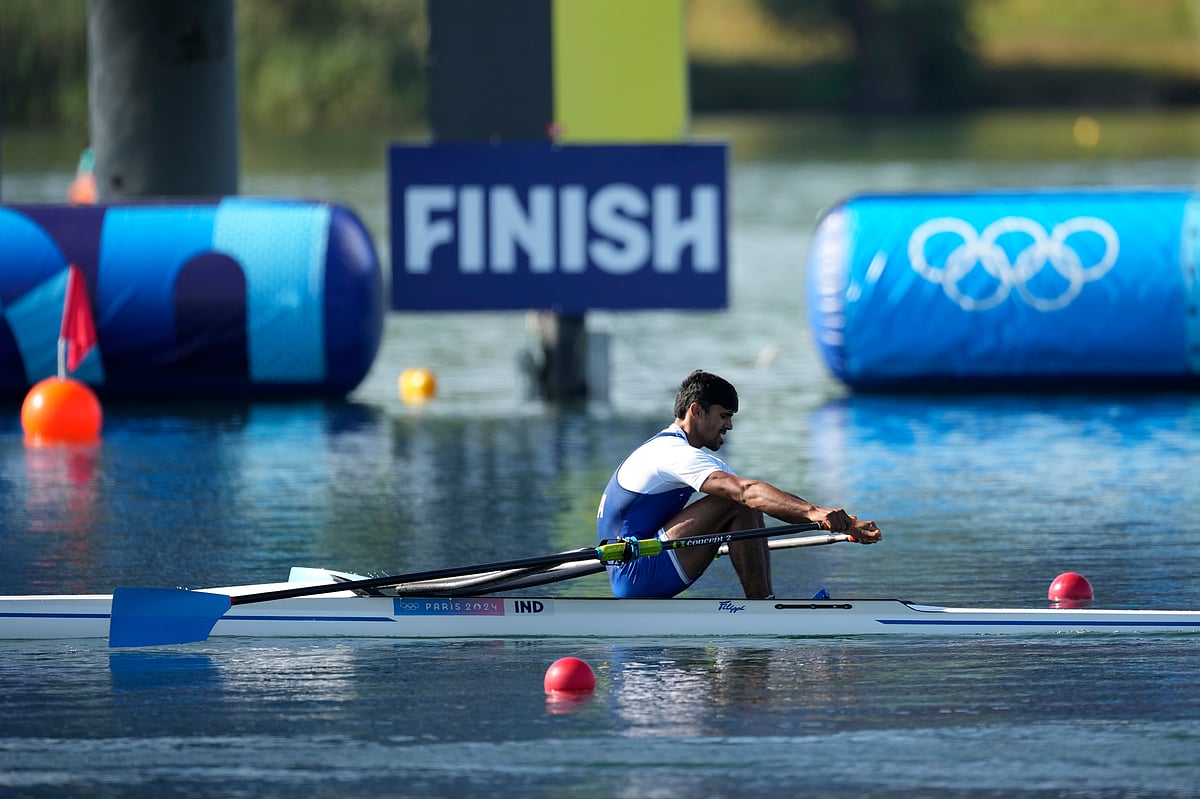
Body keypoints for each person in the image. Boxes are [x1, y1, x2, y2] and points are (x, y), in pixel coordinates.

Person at [596, 369, 880, 599]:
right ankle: (763, 608)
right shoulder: (670, 454)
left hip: (646, 565)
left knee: (746, 501)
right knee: (739, 501)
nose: (729, 426)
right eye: (724, 416)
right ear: (696, 411)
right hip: (637, 573)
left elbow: (761, 496)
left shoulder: (688, 456)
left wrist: (845, 524)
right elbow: (745, 494)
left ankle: (762, 607)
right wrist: (813, 512)